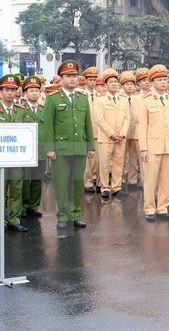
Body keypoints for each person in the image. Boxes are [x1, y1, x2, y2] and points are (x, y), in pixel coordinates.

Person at [43, 60, 95, 229]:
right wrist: (49, 148)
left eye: (74, 76)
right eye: (69, 76)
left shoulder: (83, 99)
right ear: (62, 78)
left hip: (79, 147)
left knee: (77, 182)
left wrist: (90, 146)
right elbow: (48, 125)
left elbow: (88, 124)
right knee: (62, 183)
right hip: (61, 149)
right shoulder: (53, 99)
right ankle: (63, 216)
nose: (73, 79)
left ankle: (74, 215)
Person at [138, 64, 169, 222]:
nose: (163, 82)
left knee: (165, 179)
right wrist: (143, 149)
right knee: (150, 179)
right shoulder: (146, 101)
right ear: (153, 82)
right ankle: (149, 208)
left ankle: (163, 207)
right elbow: (141, 127)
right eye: (160, 80)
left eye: (165, 79)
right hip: (152, 147)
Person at [0, 75, 28, 232]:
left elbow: (26, 135)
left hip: (17, 157)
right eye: (7, 90)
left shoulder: (22, 111)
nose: (10, 93)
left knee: (17, 189)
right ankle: (0, 220)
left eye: (13, 90)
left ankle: (14, 219)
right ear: (0, 91)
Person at [93, 68, 130, 199]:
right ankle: (104, 187)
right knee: (105, 163)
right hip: (106, 137)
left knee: (118, 162)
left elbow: (127, 118)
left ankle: (116, 187)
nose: (114, 84)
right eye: (111, 82)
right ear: (106, 85)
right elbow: (99, 119)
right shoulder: (100, 100)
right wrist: (112, 133)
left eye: (116, 82)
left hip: (120, 137)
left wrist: (122, 133)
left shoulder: (124, 100)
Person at [22, 76, 46, 217]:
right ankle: (24, 206)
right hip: (26, 150)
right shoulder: (21, 109)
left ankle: (34, 206)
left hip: (41, 149)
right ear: (25, 93)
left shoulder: (45, 108)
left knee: (37, 179)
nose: (34, 93)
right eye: (31, 90)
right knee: (25, 179)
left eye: (37, 90)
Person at [119, 71, 141, 190]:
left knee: (133, 157)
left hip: (135, 131)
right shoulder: (119, 97)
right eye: (126, 84)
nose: (129, 86)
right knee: (122, 157)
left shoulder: (138, 98)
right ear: (122, 86)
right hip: (122, 132)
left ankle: (132, 180)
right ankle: (121, 179)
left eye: (131, 84)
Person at [81, 67, 100, 194]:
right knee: (87, 160)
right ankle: (87, 183)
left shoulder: (100, 96)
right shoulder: (81, 96)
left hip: (99, 132)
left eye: (94, 80)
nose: (92, 82)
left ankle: (98, 182)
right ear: (86, 81)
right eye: (90, 80)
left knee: (99, 160)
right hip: (86, 132)